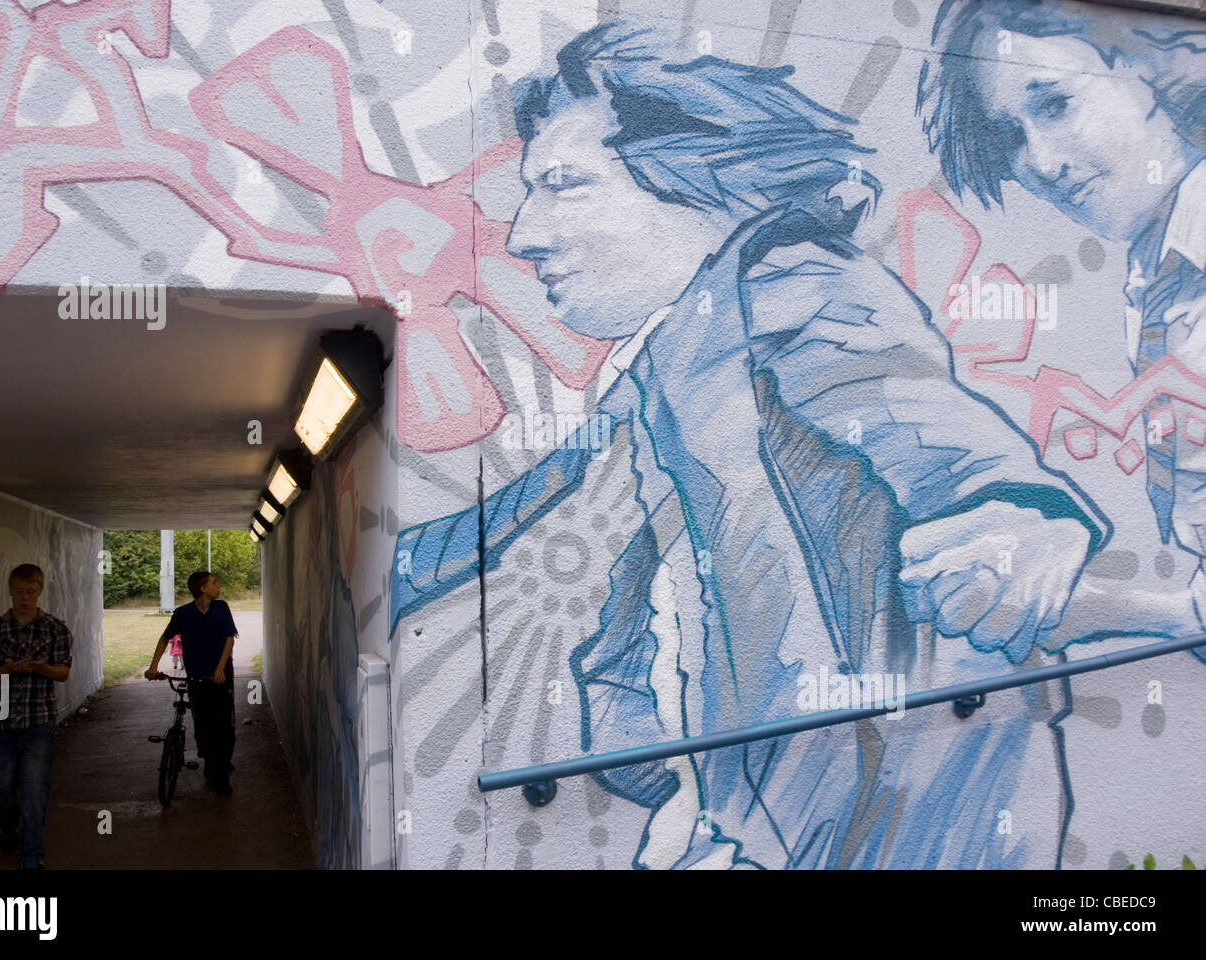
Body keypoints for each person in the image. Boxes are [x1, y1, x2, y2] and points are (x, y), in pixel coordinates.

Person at [392, 22, 1110, 868]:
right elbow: (527, 509)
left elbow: (915, 413)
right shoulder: (667, 361)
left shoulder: (793, 283)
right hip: (771, 815)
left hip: (899, 822)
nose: (526, 234)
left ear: (700, 183)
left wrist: (1023, 515)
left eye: (564, 186)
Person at [918, 0, 1206, 656]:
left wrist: (1095, 608)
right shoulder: (1159, 274)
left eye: (1054, 105)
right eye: (1010, 136)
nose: (1042, 163)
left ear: (1146, 67)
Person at [0, 563, 73, 869]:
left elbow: (63, 672)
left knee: (34, 788)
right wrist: (5, 670)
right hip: (2, 722)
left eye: (30, 591)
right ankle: (6, 826)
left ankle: (32, 854)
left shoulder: (56, 629)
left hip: (38, 721)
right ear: (10, 591)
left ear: (40, 590)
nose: (24, 597)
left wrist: (44, 669)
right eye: (19, 591)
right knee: (1, 786)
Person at [146, 572, 236, 795]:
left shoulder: (221, 608)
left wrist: (219, 669)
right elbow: (165, 638)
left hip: (221, 678)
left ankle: (221, 773)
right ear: (203, 588)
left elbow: (229, 638)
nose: (218, 585)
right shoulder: (183, 614)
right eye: (214, 582)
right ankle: (211, 762)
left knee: (224, 726)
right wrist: (153, 666)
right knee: (203, 725)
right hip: (197, 679)